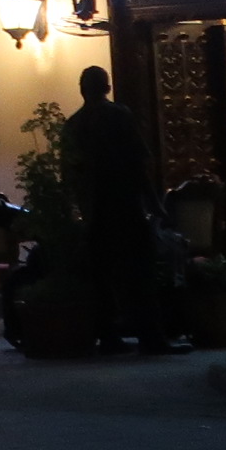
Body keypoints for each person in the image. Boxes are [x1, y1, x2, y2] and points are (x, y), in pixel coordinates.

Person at [60, 65, 172, 352]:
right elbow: (137, 163)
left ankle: (109, 336)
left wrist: (74, 210)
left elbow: (68, 174)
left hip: (93, 209)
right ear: (107, 87)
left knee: (101, 275)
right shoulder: (119, 115)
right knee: (140, 271)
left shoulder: (73, 124)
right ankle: (151, 337)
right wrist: (154, 203)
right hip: (125, 205)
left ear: (82, 89)